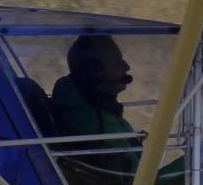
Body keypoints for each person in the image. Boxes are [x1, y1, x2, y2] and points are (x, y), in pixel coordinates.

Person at [50, 34, 140, 172]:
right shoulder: (98, 126)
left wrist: (134, 141)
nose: (127, 67)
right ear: (95, 71)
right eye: (117, 62)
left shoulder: (80, 106)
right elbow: (140, 182)